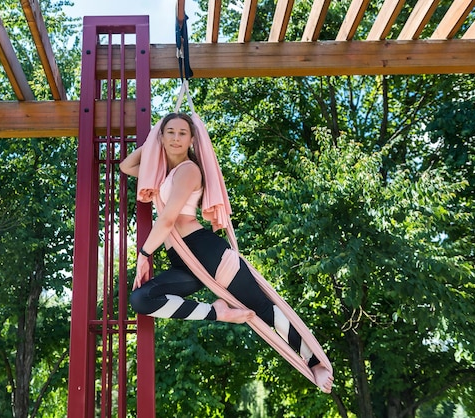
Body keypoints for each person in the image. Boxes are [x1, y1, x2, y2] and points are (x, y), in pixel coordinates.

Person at [120, 112, 333, 393]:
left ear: (192, 139)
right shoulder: (159, 174)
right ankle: (217, 313)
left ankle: (315, 362)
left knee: (265, 310)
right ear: (161, 135)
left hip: (208, 254)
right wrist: (155, 140)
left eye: (182, 133)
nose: (175, 138)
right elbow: (127, 166)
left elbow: (168, 219)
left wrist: (144, 254)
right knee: (142, 300)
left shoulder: (188, 170)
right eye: (170, 132)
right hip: (185, 264)